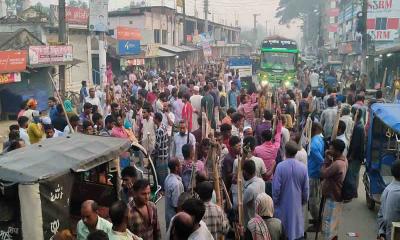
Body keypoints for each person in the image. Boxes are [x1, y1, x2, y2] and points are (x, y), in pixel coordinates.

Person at [272, 141, 309, 240]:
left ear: (285, 151)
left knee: (283, 231)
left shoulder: (280, 167)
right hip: (297, 205)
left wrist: (274, 202)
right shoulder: (303, 168)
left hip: (281, 206)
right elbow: (306, 190)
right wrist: (303, 202)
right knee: (295, 230)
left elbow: (276, 189)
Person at [320, 139, 348, 240]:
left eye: (331, 148)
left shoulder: (337, 164)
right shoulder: (343, 160)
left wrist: (326, 159)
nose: (329, 149)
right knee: (334, 223)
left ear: (337, 151)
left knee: (328, 223)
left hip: (333, 196)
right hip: (337, 195)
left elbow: (323, 173)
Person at [254, 113, 282, 195]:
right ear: (271, 138)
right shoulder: (275, 147)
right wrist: (279, 121)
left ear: (262, 138)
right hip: (270, 179)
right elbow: (278, 134)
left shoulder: (257, 149)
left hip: (259, 180)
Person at [307, 122, 325, 230]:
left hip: (313, 173)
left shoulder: (314, 144)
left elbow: (321, 160)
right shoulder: (319, 139)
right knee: (315, 199)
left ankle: (318, 223)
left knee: (313, 201)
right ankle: (316, 219)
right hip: (314, 172)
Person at [377, 160, 400, 240]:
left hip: (386, 234)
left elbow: (381, 215)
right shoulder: (397, 193)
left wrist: (381, 232)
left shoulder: (387, 189)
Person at [347, 111, 365, 197]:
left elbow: (356, 144)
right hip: (358, 155)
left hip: (356, 155)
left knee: (352, 174)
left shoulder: (358, 127)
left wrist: (351, 156)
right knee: (355, 174)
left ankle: (353, 192)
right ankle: (354, 192)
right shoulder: (359, 125)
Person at [243, 160, 266, 226]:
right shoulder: (261, 181)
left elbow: (242, 203)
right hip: (261, 220)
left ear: (245, 172)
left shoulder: (250, 188)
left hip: (251, 224)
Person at [165, 159, 184, 229]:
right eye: (180, 165)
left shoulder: (167, 178)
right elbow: (176, 205)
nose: (181, 167)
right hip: (174, 217)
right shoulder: (176, 184)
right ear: (176, 168)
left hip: (168, 214)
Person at [153, 112, 169, 186]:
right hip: (165, 155)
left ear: (157, 119)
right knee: (165, 173)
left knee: (160, 174)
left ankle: (162, 190)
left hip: (160, 156)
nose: (153, 119)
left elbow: (157, 145)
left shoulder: (159, 130)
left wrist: (152, 153)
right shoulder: (164, 126)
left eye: (154, 118)